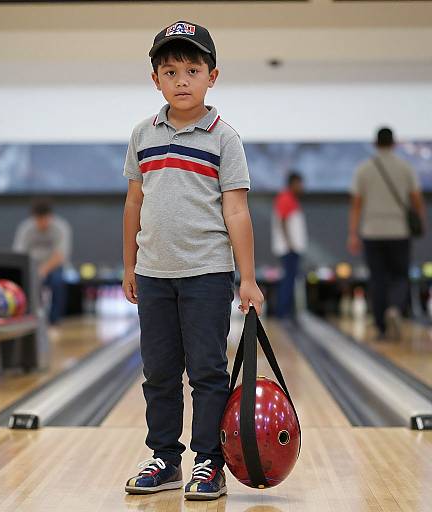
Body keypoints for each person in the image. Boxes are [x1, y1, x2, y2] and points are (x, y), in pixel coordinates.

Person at [122, 21, 264, 501]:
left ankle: (209, 461)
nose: (181, 79)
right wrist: (128, 266)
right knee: (158, 372)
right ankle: (164, 458)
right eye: (170, 70)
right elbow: (134, 204)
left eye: (192, 69)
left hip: (206, 271)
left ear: (212, 76)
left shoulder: (226, 138)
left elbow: (237, 209)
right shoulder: (143, 134)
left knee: (206, 371)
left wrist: (247, 277)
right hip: (154, 273)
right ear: (155, 79)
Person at [348, 127, 426, 340]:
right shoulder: (405, 167)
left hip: (372, 232)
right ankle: (395, 308)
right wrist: (421, 221)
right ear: (394, 143)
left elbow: (356, 204)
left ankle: (381, 325)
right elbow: (417, 199)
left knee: (378, 278)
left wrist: (353, 233)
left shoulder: (364, 169)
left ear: (375, 143)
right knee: (400, 275)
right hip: (399, 231)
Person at [13, 200, 72, 325]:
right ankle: (29, 316)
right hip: (32, 266)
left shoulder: (60, 227)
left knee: (57, 281)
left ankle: (54, 320)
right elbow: (19, 254)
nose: (42, 223)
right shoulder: (26, 229)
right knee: (25, 282)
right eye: (38, 220)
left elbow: (60, 256)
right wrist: (33, 270)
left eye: (44, 219)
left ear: (50, 216)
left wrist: (43, 270)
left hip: (53, 267)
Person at [272, 172, 307, 318]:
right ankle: (283, 312)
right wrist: (290, 243)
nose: (302, 187)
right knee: (288, 280)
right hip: (289, 249)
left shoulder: (291, 199)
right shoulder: (285, 198)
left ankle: (287, 311)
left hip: (292, 248)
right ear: (293, 183)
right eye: (300, 183)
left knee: (291, 280)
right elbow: (283, 221)